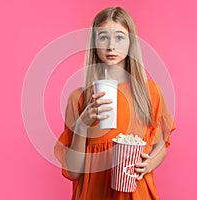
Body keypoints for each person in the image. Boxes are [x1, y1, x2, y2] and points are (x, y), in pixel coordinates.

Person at [54, 7, 175, 200]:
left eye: (119, 37)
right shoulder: (78, 99)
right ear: (94, 43)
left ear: (130, 43)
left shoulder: (149, 93)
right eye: (103, 37)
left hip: (136, 193)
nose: (111, 46)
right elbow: (74, 172)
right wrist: (82, 125)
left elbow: (161, 146)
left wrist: (150, 163)